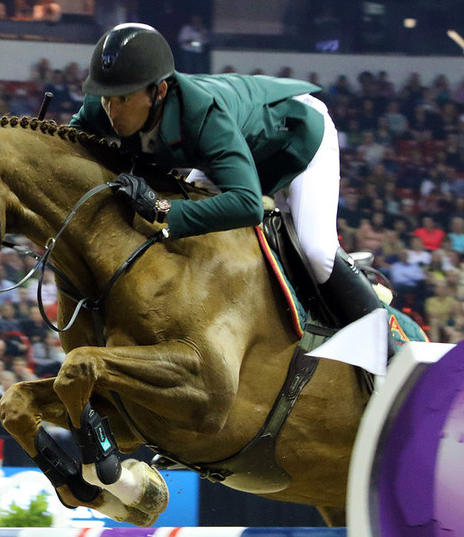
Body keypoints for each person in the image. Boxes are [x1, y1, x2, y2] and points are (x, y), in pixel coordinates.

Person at [69, 22, 390, 349]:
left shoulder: (202, 114)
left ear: (160, 91)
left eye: (123, 99)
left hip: (295, 137)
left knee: (316, 252)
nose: (112, 111)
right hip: (230, 151)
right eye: (106, 97)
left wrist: (160, 208)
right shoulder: (105, 105)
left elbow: (248, 206)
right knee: (182, 235)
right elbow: (66, 149)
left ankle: (386, 341)